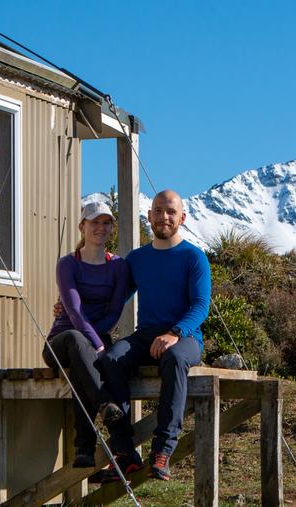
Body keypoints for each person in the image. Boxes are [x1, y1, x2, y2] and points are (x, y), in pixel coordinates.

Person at [101, 189, 211, 481]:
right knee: (111, 358)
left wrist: (175, 333)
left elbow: (200, 306)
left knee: (174, 358)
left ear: (182, 218)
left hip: (186, 338)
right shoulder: (137, 259)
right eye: (158, 211)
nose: (164, 217)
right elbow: (116, 301)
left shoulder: (194, 257)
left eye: (171, 212)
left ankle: (162, 450)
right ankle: (124, 453)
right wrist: (87, 323)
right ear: (149, 216)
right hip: (146, 334)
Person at [44, 200, 131, 469]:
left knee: (85, 367)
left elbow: (116, 310)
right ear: (82, 226)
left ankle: (84, 449)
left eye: (106, 223)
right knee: (76, 339)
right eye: (95, 222)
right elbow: (73, 311)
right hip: (61, 341)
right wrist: (96, 343)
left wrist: (97, 341)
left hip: (97, 340)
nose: (101, 228)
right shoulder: (68, 264)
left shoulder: (118, 266)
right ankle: (105, 405)